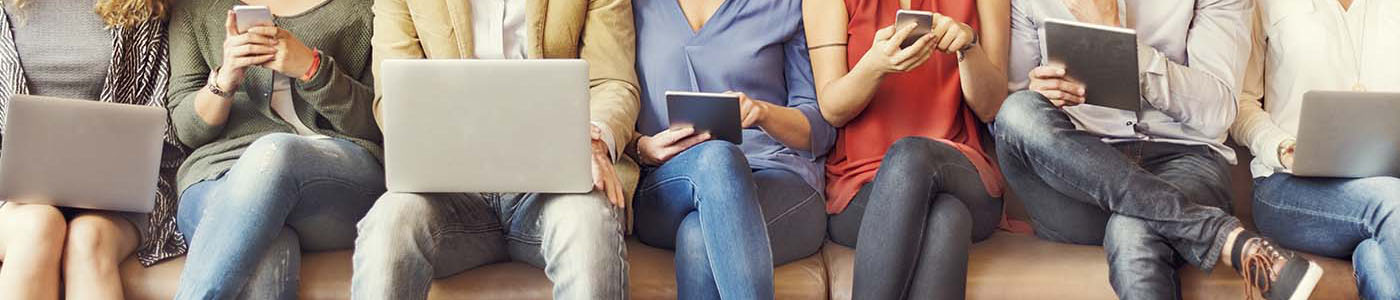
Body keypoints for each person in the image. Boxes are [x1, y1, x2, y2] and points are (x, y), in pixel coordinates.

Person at [1000, 0, 1325, 299]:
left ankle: (1197, 227)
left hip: (1183, 161)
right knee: (1017, 111)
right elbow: (1018, 94)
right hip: (1078, 180)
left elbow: (1217, 112)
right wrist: (1041, 89)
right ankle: (1219, 235)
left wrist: (1119, 42)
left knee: (1133, 229)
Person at [350, 0, 638, 298]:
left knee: (588, 226)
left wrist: (593, 140)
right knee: (389, 225)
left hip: (554, 186)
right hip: (448, 192)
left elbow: (613, 82)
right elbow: (395, 99)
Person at [166, 0, 383, 298]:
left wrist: (312, 69)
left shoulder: (364, 7)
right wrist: (224, 80)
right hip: (218, 176)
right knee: (266, 247)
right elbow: (187, 130)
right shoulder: (199, 8)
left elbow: (380, 122)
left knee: (274, 152)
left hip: (336, 177)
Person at [630, 0, 837, 298]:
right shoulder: (633, 6)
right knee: (718, 157)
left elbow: (820, 129)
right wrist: (640, 146)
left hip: (778, 181)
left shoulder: (783, 6)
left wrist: (764, 112)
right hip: (668, 187)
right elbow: (610, 100)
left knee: (698, 239)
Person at [805, 0, 1011, 298]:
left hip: (962, 174)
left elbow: (991, 108)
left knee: (911, 155)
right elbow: (832, 108)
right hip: (863, 188)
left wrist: (969, 46)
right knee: (947, 219)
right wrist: (874, 67)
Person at [0, 0, 185, 299]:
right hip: (10, 196)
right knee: (38, 225)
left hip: (116, 198)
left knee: (89, 239)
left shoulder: (140, 8)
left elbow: (159, 118)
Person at [1232, 0, 1400, 298]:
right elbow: (1240, 103)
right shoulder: (1265, 4)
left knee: (1376, 257)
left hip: (1384, 187)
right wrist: (1280, 146)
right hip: (1286, 185)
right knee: (1392, 201)